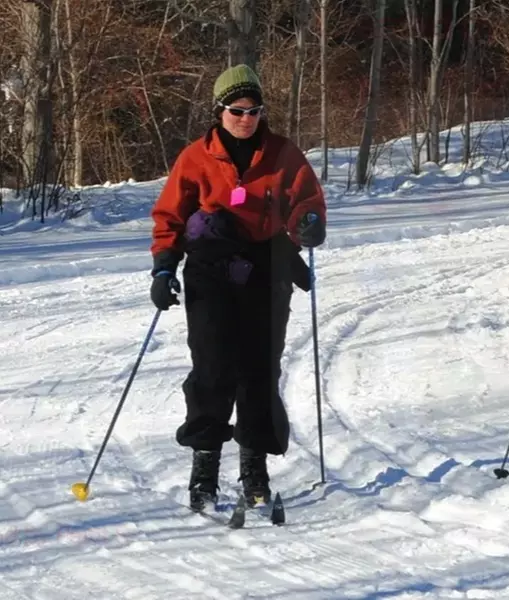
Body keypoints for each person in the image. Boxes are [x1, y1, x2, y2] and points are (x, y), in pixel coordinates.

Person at [148, 64, 327, 510]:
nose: (246, 119)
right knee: (212, 368)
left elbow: (307, 201)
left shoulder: (283, 153)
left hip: (267, 269)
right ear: (220, 110)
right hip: (210, 272)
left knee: (259, 368)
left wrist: (308, 221)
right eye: (236, 110)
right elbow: (169, 215)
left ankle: (254, 468)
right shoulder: (195, 157)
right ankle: (204, 467)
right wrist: (164, 268)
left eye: (254, 110)